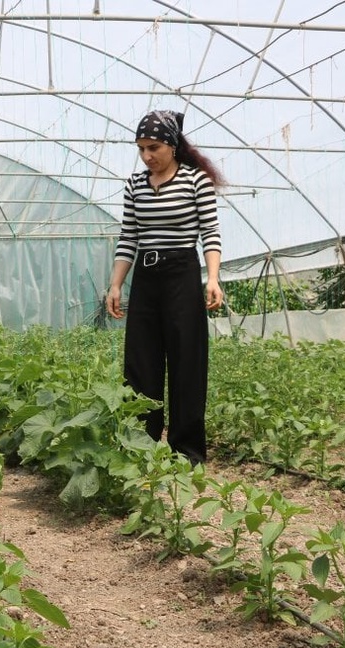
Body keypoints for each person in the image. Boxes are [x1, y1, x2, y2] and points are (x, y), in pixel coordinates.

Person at [105, 110, 225, 465]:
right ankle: (141, 445)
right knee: (141, 363)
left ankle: (186, 451)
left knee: (187, 361)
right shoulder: (134, 185)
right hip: (146, 277)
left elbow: (211, 234)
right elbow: (129, 237)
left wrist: (213, 278)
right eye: (141, 149)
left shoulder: (195, 181)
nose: (147, 156)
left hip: (181, 274)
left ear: (172, 145)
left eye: (153, 147)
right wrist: (115, 285)